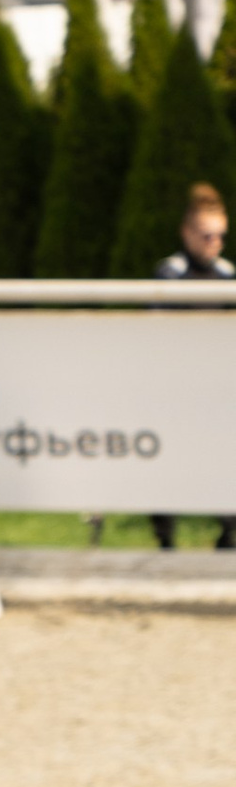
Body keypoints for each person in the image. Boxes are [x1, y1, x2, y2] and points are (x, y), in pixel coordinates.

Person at [150, 186, 236, 553]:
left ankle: (228, 535)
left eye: (220, 235)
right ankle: (165, 539)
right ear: (187, 234)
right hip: (176, 389)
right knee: (167, 463)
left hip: (219, 389)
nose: (214, 242)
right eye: (206, 235)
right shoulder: (170, 273)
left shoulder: (228, 273)